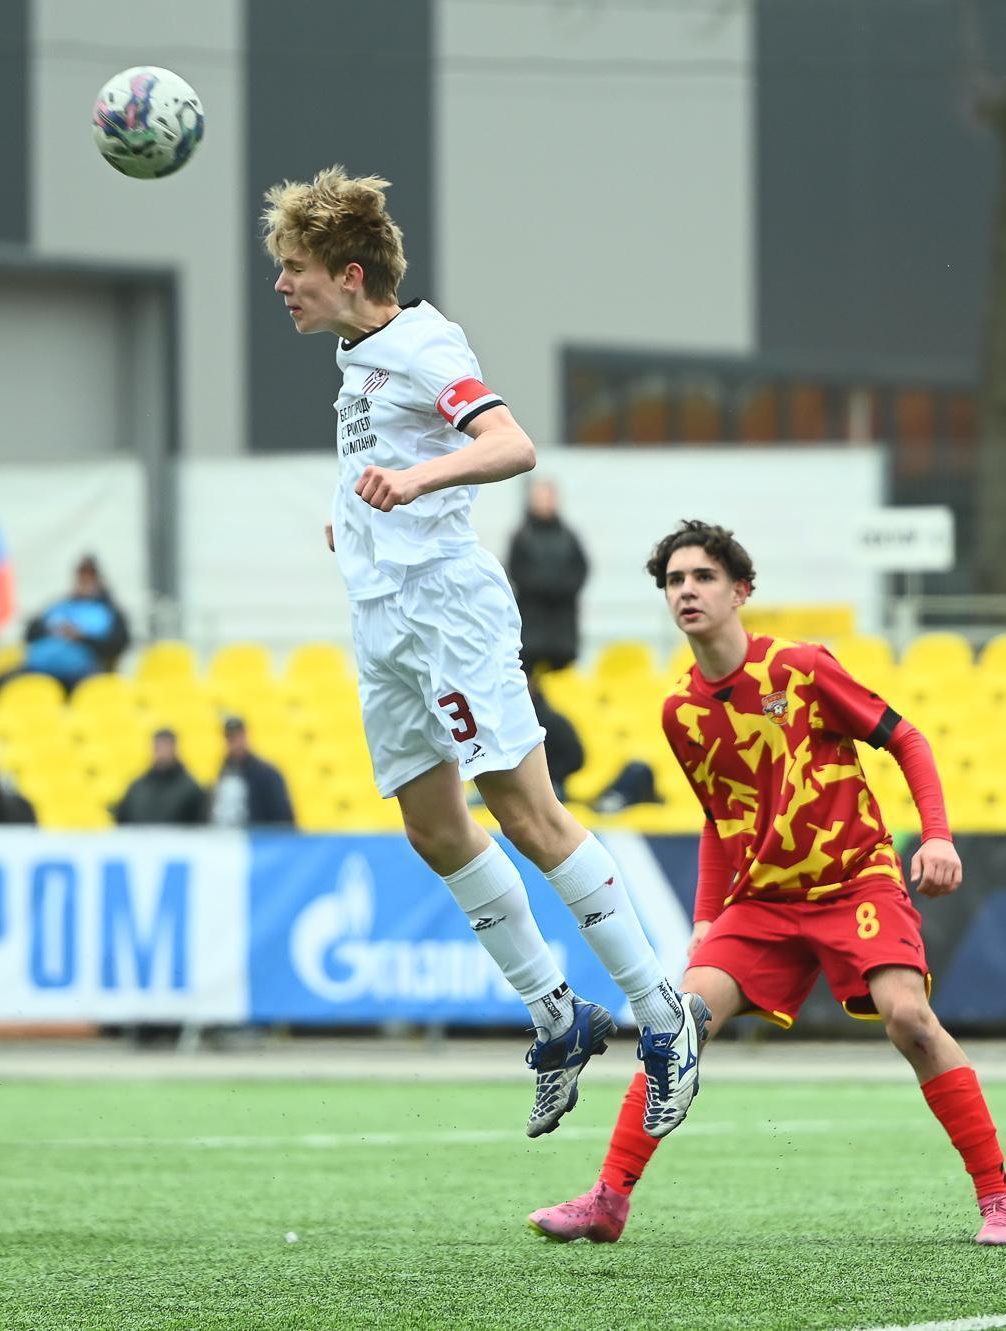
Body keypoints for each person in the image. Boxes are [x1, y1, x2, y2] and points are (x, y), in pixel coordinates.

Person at [263, 165, 703, 1138]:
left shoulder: (423, 343)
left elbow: (510, 444)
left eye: (294, 267)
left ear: (347, 272)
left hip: (446, 612)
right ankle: (557, 1013)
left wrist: (414, 485)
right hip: (384, 620)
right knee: (432, 827)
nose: (281, 284)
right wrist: (355, 515)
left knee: (528, 814)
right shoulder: (357, 354)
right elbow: (385, 458)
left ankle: (661, 1012)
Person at [528, 521, 1006, 1247]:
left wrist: (939, 835)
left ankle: (1000, 1199)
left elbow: (907, 739)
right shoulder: (680, 712)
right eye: (675, 580)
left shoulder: (802, 668)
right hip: (762, 901)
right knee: (679, 1023)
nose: (687, 590)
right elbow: (718, 817)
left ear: (740, 591)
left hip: (854, 880)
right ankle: (608, 1200)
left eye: (703, 577)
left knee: (910, 1020)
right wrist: (706, 917)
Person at [14, 555, 131, 693]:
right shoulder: (59, 606)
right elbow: (30, 635)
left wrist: (82, 637)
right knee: (4, 682)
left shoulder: (109, 612)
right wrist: (51, 629)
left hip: (80, 674)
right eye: (81, 578)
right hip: (39, 669)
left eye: (89, 578)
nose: (84, 582)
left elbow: (118, 644)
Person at [508, 480, 589, 678]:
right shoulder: (521, 537)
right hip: (531, 627)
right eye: (540, 498)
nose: (545, 503)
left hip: (562, 629)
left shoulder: (569, 536)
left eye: (548, 497)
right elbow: (516, 571)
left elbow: (581, 569)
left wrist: (560, 588)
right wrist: (542, 587)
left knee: (561, 684)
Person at [207, 717, 295, 829]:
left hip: (258, 836)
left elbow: (282, 816)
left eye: (237, 736)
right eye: (230, 738)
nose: (234, 743)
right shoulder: (223, 772)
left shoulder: (267, 774)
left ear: (245, 736)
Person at [115, 728, 208, 826]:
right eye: (159, 747)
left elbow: (200, 824)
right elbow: (124, 820)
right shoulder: (137, 787)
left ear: (175, 749)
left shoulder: (191, 789)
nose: (163, 752)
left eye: (166, 746)